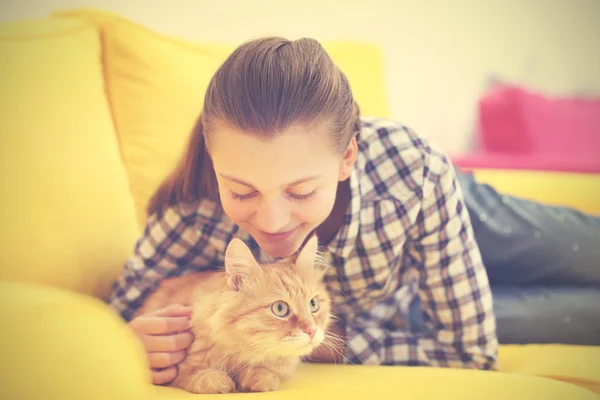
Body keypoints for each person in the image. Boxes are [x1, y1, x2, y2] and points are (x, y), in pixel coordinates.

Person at [108, 37, 600, 386]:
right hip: (409, 308)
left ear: (347, 158)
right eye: (241, 191)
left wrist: (327, 345)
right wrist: (132, 343)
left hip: (449, 211)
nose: (272, 222)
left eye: (300, 192)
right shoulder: (189, 212)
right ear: (214, 165)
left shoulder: (414, 169)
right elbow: (119, 312)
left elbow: (470, 353)